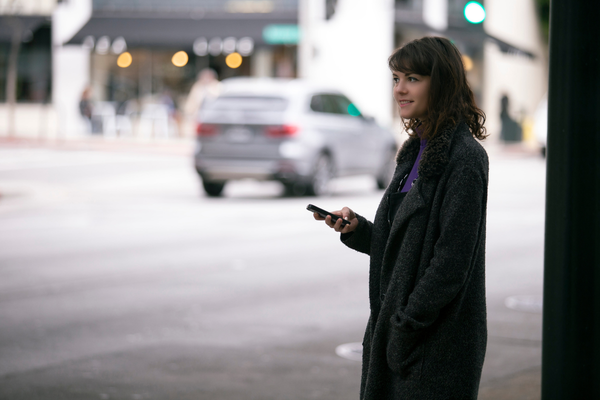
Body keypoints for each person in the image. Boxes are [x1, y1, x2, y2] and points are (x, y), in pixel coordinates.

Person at [312, 36, 489, 399]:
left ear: (440, 83)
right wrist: (359, 230)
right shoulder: (414, 151)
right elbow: (405, 245)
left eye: (412, 78)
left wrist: (405, 326)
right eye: (396, 79)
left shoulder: (465, 159)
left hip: (435, 342)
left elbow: (452, 261)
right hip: (397, 334)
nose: (400, 89)